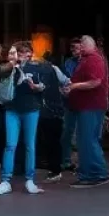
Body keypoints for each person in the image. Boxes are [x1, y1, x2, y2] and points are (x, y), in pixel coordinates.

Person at [0, 42, 46, 196]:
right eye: (21, 53)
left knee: (30, 144)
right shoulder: (9, 68)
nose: (26, 56)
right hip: (12, 109)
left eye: (28, 53)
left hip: (31, 109)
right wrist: (12, 66)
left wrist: (37, 87)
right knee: (10, 144)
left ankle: (30, 179)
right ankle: (5, 180)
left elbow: (44, 85)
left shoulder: (36, 66)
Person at [63, 35, 109, 188]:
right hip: (87, 105)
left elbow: (95, 81)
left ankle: (95, 173)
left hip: (91, 106)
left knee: (88, 139)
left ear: (89, 45)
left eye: (82, 45)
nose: (80, 48)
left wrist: (74, 86)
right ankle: (90, 172)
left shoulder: (93, 59)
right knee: (87, 139)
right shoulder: (89, 58)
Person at [36, 53, 68, 183]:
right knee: (51, 140)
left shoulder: (50, 69)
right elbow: (66, 81)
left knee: (50, 140)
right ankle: (53, 168)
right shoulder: (54, 69)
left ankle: (54, 169)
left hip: (47, 109)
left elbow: (65, 82)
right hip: (51, 109)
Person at [60, 38, 81, 170]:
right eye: (72, 47)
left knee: (82, 132)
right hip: (69, 101)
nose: (74, 50)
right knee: (67, 131)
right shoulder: (67, 63)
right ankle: (67, 160)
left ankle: (81, 161)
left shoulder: (86, 62)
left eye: (77, 47)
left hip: (84, 101)